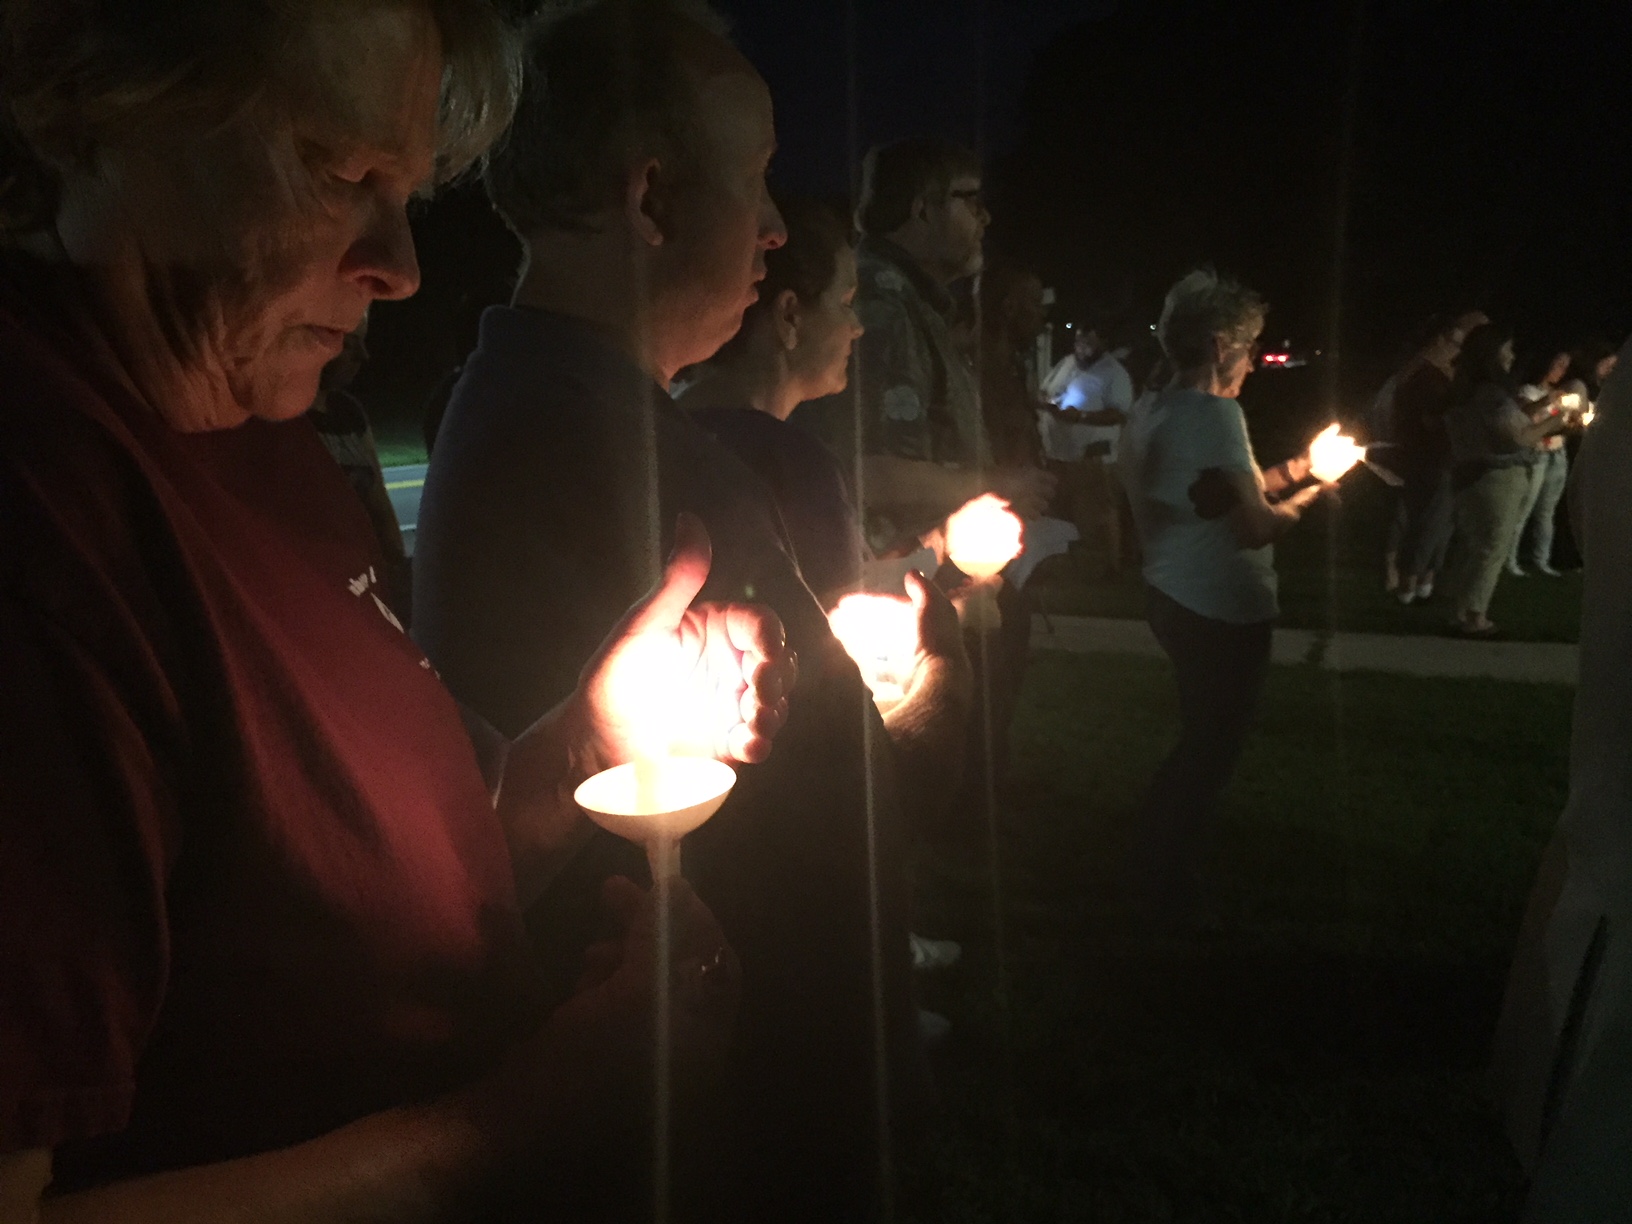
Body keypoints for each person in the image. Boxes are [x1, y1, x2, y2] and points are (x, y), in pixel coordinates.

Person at [0, 1, 802, 1219]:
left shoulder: (247, 416)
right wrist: (503, 1127)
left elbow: (301, 893)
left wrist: (573, 762)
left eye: (409, 190)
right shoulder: (49, 520)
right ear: (84, 108)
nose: (401, 265)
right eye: (338, 171)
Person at [411, 4, 948, 1217]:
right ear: (651, 198)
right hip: (712, 1126)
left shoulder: (577, 410)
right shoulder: (572, 443)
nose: (772, 230)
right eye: (755, 180)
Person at [1118, 270, 1335, 923]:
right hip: (1218, 610)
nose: (1251, 363)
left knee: (1200, 741)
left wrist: (1297, 466)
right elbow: (1253, 525)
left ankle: (1155, 863)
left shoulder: (1152, 408)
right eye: (1247, 347)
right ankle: (1164, 881)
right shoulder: (1215, 412)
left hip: (1171, 595)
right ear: (1218, 346)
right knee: (1209, 753)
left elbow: (1221, 490)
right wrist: (1316, 490)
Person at [791, 137, 1054, 558]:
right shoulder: (881, 304)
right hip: (881, 588)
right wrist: (998, 483)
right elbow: (870, 471)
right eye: (970, 199)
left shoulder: (907, 302)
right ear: (922, 209)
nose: (984, 217)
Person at [679, 194, 867, 605]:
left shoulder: (652, 430)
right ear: (789, 315)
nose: (857, 328)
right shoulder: (794, 465)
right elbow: (840, 635)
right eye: (845, 303)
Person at [1441, 325, 1571, 637]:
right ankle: (1475, 616)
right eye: (1507, 350)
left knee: (1473, 546)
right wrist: (1558, 421)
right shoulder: (1491, 395)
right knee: (1492, 546)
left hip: (1469, 473)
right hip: (1497, 476)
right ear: (1492, 354)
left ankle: (1459, 611)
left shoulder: (1464, 391)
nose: (1512, 356)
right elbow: (1517, 436)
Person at [307, 313, 414, 619]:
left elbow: (377, 497)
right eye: (350, 343)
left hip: (375, 581)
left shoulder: (349, 413)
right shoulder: (285, 422)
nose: (363, 356)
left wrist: (395, 564)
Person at [1391, 309, 1489, 605]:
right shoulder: (1427, 376)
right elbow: (1430, 419)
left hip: (1444, 458)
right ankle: (1408, 585)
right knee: (1428, 522)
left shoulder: (1438, 375)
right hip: (1430, 458)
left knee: (1441, 524)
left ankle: (1425, 583)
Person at [1044, 321, 1135, 574]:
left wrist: (1081, 417)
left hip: (1094, 456)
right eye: (1078, 342)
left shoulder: (1113, 373)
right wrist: (1048, 404)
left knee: (1102, 512)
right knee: (1062, 511)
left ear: (1102, 343)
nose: (1081, 348)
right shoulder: (1066, 364)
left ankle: (1111, 565)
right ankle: (1065, 565)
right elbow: (1045, 389)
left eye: (1088, 342)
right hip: (1059, 454)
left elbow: (1119, 413)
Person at [1507, 349, 1574, 578]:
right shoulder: (1528, 391)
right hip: (1536, 453)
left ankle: (1541, 560)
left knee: (1547, 511)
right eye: (1558, 365)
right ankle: (1510, 560)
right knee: (1524, 509)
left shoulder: (1560, 393)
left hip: (1557, 452)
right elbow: (1525, 415)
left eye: (1565, 366)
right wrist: (1548, 403)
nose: (1561, 371)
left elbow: (1560, 422)